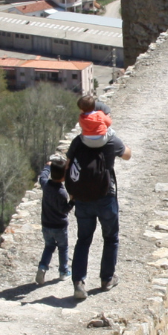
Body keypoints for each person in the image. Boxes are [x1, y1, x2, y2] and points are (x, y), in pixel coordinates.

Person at [66, 116, 132, 301]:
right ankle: (107, 279)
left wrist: (71, 192)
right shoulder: (111, 141)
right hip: (106, 198)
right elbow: (127, 155)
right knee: (110, 238)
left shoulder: (78, 141)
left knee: (83, 239)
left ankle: (79, 282)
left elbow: (68, 165)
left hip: (83, 199)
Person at [35, 154, 73, 285]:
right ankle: (63, 272)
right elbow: (64, 209)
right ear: (64, 177)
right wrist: (72, 201)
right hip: (60, 226)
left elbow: (42, 177)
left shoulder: (45, 185)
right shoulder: (62, 193)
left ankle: (42, 267)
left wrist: (47, 166)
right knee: (63, 248)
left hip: (46, 225)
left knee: (49, 247)